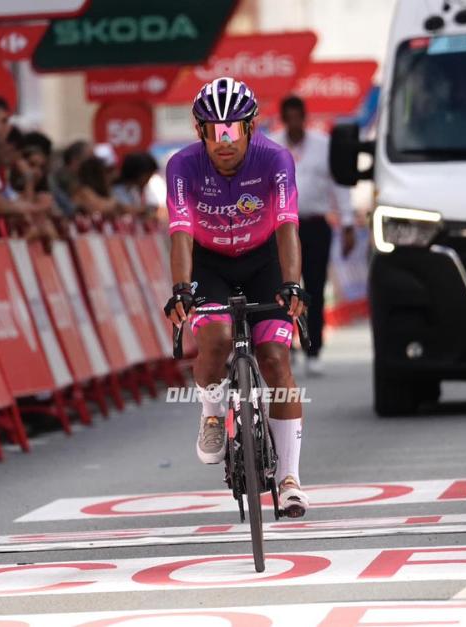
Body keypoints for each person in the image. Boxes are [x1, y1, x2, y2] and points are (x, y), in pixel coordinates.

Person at [163, 77, 309, 518]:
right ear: (199, 130)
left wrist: (292, 283)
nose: (223, 140)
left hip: (263, 259)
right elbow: (181, 232)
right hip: (210, 262)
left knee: (275, 359)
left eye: (232, 128)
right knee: (216, 339)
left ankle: (289, 480)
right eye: (213, 129)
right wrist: (182, 290)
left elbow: (287, 225)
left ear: (250, 126)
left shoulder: (275, 159)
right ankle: (211, 412)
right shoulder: (182, 166)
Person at [270, 95, 356, 376]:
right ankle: (286, 346)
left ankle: (313, 348)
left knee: (315, 289)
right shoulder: (270, 146)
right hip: (281, 228)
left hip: (315, 225)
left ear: (305, 118)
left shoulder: (323, 145)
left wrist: (347, 223)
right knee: (282, 288)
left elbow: (340, 186)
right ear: (283, 119)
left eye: (299, 117)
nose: (294, 123)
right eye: (289, 118)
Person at [112, 151, 158, 216]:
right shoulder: (116, 190)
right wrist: (144, 210)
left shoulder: (135, 190)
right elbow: (120, 208)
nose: (148, 180)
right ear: (138, 173)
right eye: (148, 176)